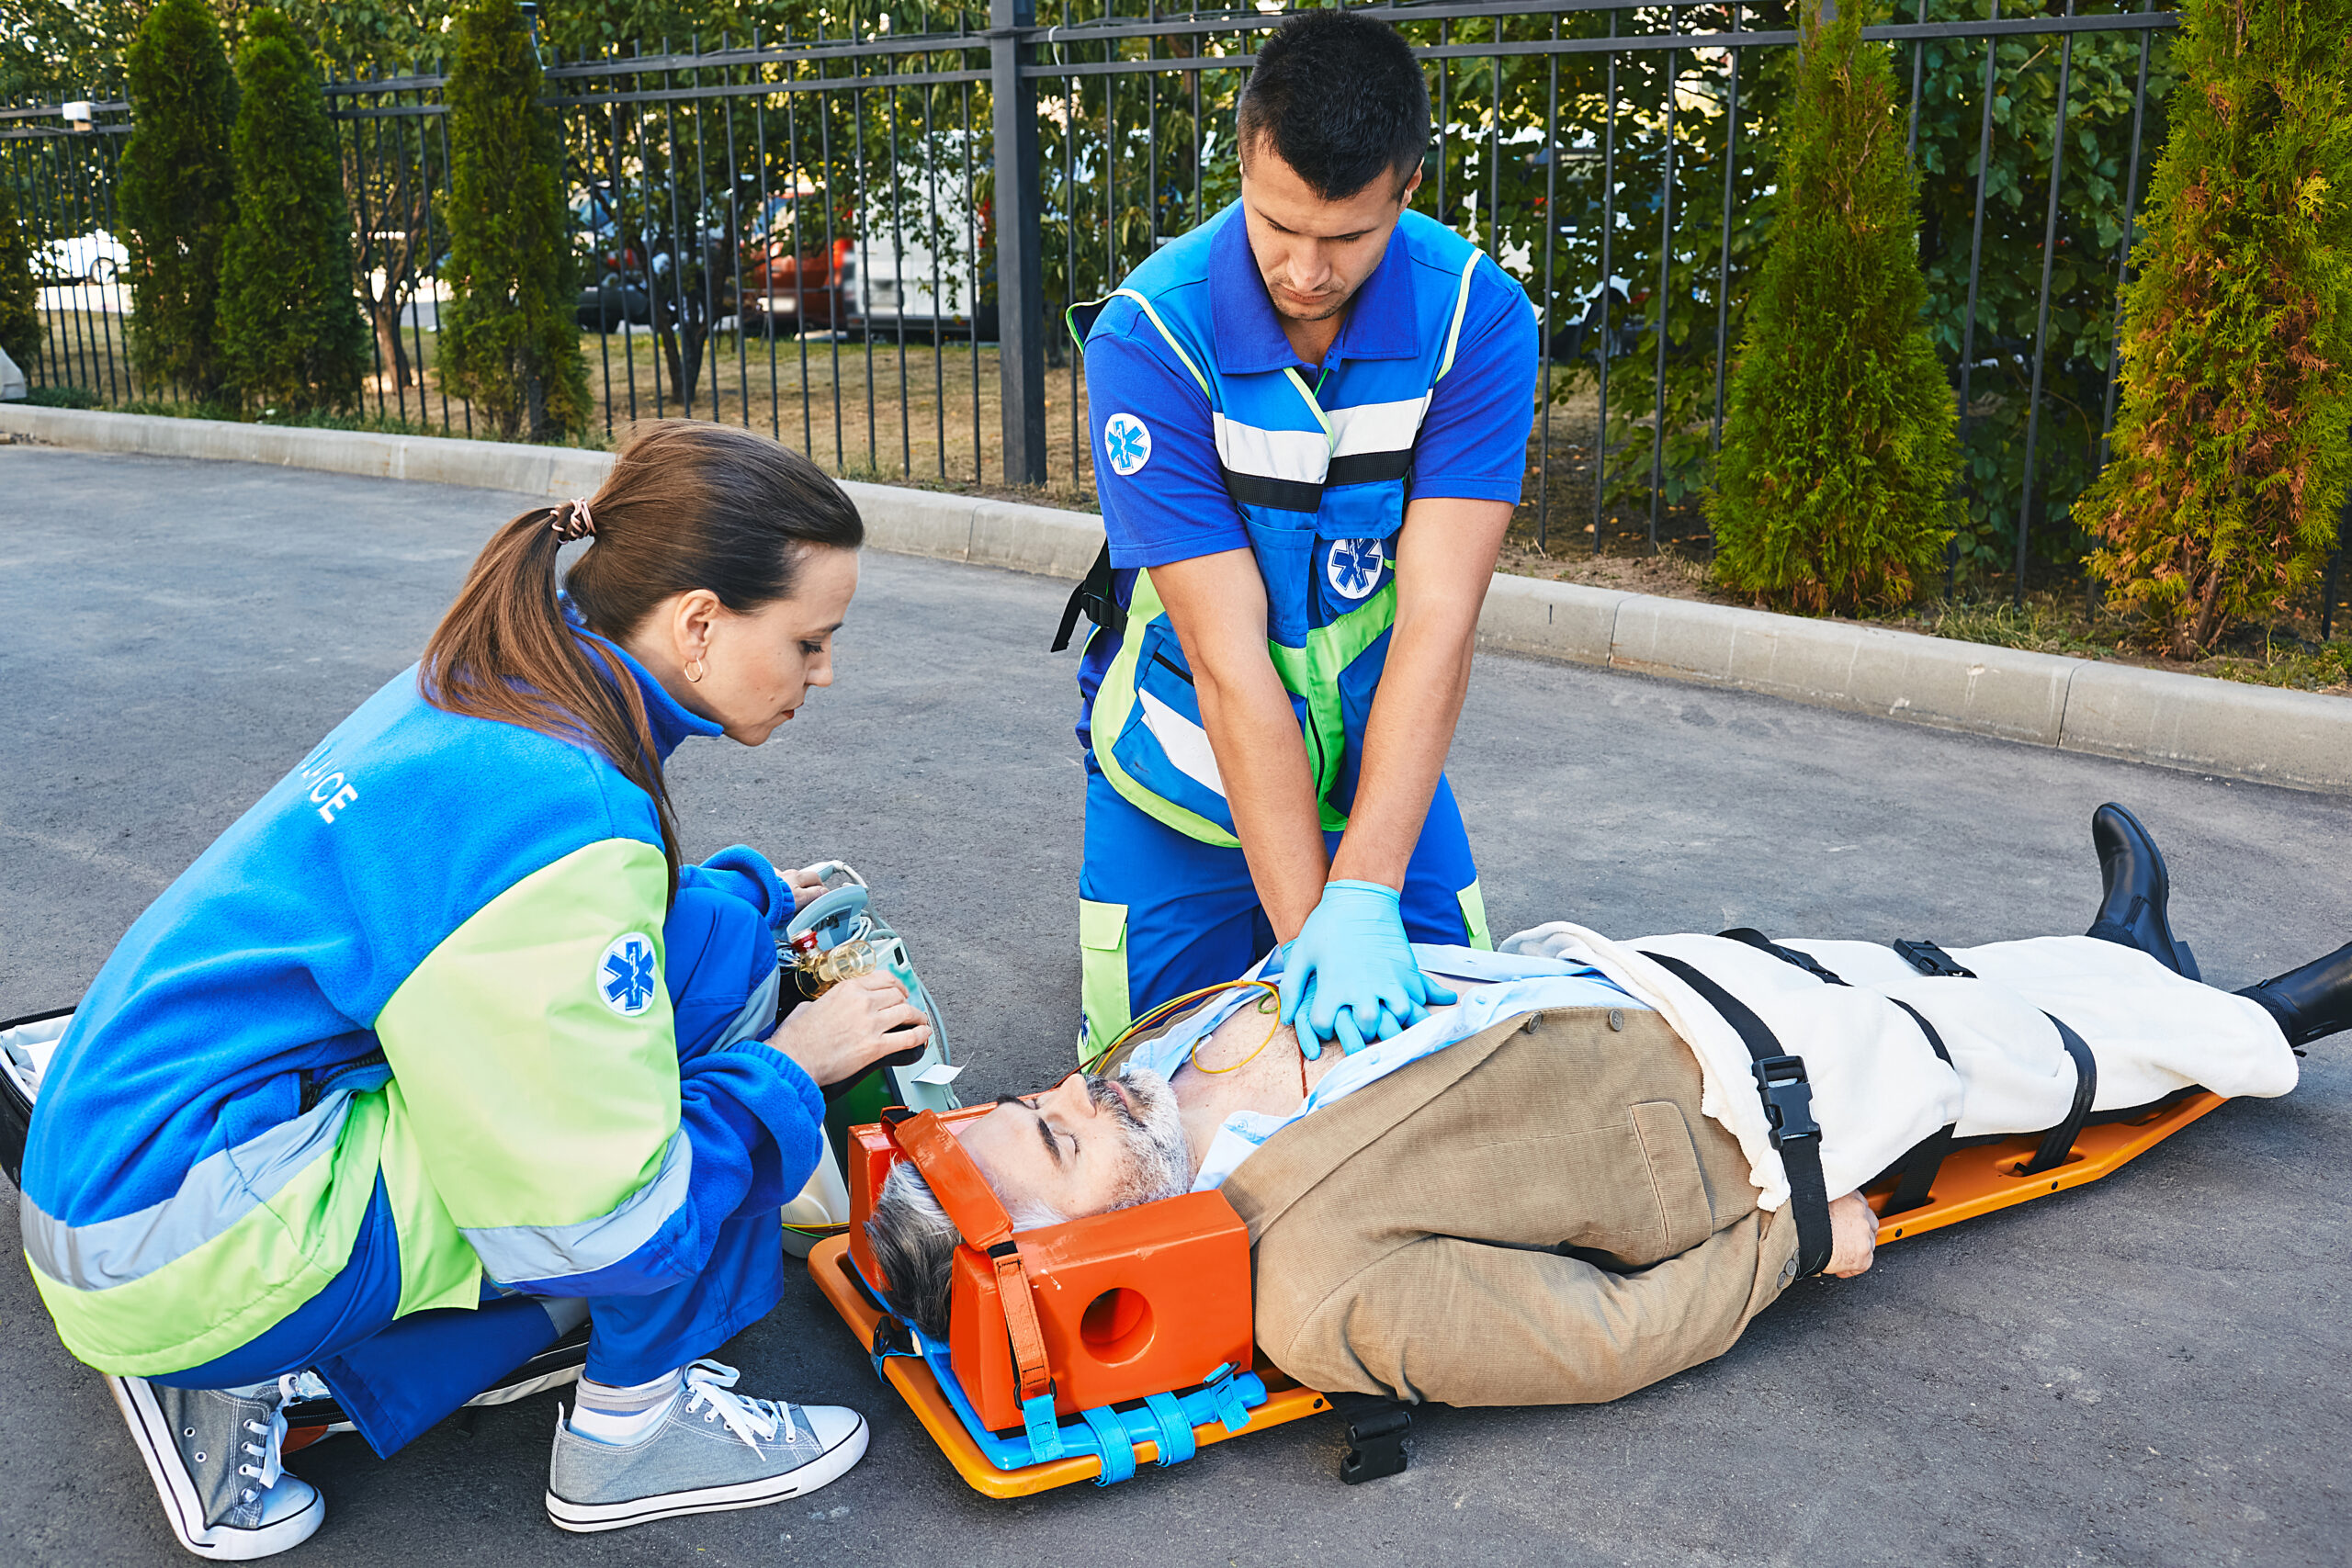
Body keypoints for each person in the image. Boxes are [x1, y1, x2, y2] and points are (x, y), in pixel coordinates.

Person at [18, 423, 928, 1558]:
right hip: (185, 1251)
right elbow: (613, 1224)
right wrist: (796, 1070)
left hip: (113, 1177)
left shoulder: (500, 683)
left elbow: (528, 912)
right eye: (811, 640)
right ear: (699, 623)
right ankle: (632, 1439)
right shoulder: (570, 817)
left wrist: (738, 901)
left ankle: (286, 1385)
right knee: (679, 1127)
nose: (825, 674)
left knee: (703, 957)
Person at [868, 806, 2347, 1408]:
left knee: (1925, 969)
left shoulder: (1151, 1069)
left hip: (1639, 986)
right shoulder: (1314, 1290)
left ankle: (2123, 948)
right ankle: (2261, 1019)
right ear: (1080, 1254)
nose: (1070, 1084)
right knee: (1991, 1059)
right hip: (1738, 1113)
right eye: (1058, 1133)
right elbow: (1599, 1337)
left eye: (1028, 1094)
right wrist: (1792, 1244)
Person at [1062, 10, 1540, 1064]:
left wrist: (1361, 894)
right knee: (1150, 1080)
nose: (1307, 270)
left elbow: (1437, 621)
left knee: (1464, 1058)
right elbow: (1232, 668)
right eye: (1278, 225)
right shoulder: (1150, 338)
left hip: (1379, 762)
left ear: (1408, 188)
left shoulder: (1479, 322)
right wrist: (1300, 944)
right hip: (1183, 764)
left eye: (1347, 236)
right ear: (1242, 161)